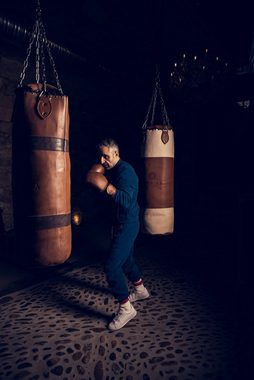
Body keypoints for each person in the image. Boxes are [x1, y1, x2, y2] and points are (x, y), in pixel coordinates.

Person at [86, 138, 149, 331]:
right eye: (101, 157)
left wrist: (107, 187)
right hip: (120, 223)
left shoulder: (126, 172)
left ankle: (125, 308)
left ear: (116, 154)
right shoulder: (112, 171)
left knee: (112, 266)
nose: (102, 160)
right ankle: (140, 290)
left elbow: (127, 201)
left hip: (128, 224)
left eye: (106, 156)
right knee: (127, 260)